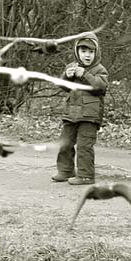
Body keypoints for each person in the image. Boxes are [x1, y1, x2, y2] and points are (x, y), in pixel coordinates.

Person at [52, 33, 108, 185]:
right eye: (83, 51)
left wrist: (85, 74)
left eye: (91, 52)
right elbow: (63, 87)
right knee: (65, 143)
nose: (87, 55)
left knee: (84, 146)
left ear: (96, 53)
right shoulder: (72, 66)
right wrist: (66, 76)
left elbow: (100, 88)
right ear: (77, 52)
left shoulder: (99, 70)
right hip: (71, 113)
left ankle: (86, 175)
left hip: (90, 116)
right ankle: (65, 170)